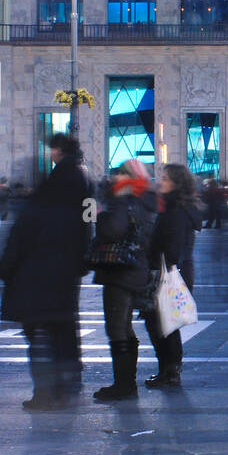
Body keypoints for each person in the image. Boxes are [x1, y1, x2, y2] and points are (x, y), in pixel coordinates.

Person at [0, 134, 92, 410]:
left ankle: (44, 393)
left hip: (34, 277)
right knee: (63, 328)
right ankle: (67, 383)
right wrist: (82, 261)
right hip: (65, 273)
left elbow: (16, 243)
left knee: (39, 336)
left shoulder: (35, 206)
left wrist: (4, 271)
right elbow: (89, 224)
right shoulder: (83, 188)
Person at [91, 160, 159, 402]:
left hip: (120, 270)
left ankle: (124, 384)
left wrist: (101, 217)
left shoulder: (123, 198)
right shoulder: (148, 199)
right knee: (125, 327)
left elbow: (112, 231)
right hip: (138, 268)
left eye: (118, 174)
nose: (114, 178)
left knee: (117, 328)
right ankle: (126, 382)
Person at [144, 163, 203, 388]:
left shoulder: (175, 210)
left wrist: (160, 265)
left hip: (168, 273)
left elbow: (173, 247)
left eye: (166, 179)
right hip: (175, 272)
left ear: (177, 184)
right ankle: (169, 371)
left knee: (161, 324)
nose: (161, 182)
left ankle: (169, 371)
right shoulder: (177, 207)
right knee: (166, 324)